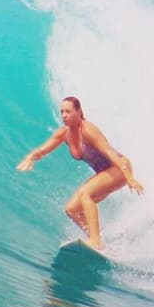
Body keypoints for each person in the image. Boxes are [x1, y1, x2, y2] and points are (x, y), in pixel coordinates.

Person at [16, 96, 143, 250]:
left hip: (120, 168)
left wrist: (130, 178)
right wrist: (30, 158)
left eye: (68, 111)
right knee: (71, 209)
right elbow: (43, 150)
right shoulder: (64, 133)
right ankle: (97, 240)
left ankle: (95, 241)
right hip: (106, 173)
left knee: (85, 194)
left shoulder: (88, 130)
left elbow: (109, 153)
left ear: (79, 111)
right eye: (62, 112)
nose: (64, 115)